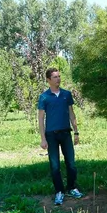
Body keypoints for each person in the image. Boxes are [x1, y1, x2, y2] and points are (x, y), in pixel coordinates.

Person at [38, 67, 83, 205]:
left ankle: (72, 187)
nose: (58, 79)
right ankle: (59, 191)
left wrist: (76, 132)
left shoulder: (66, 94)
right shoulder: (44, 97)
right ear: (48, 80)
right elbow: (40, 119)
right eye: (55, 77)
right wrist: (43, 138)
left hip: (66, 133)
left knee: (71, 163)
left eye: (59, 76)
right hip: (51, 135)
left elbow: (71, 113)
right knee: (55, 165)